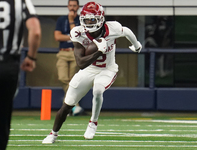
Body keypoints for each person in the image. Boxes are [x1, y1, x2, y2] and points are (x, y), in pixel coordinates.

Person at [42, 1, 142, 144]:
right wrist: (99, 51)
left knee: (98, 89)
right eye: (86, 19)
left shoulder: (112, 28)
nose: (89, 22)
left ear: (100, 19)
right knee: (67, 104)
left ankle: (92, 123)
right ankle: (53, 134)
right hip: (89, 68)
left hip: (108, 69)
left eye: (92, 19)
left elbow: (126, 31)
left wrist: (136, 45)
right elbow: (81, 63)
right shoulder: (78, 32)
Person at [0, 0, 41, 149]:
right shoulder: (20, 2)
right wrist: (31, 57)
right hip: (8, 66)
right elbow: (35, 32)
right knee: (2, 117)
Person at [54, 0, 84, 116]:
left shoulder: (81, 20)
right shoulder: (61, 20)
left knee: (73, 80)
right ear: (67, 6)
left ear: (78, 7)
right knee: (63, 78)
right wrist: (70, 37)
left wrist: (71, 21)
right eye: (70, 5)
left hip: (75, 52)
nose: (72, 8)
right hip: (63, 52)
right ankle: (74, 106)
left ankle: (66, 108)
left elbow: (77, 37)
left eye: (74, 6)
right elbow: (57, 36)